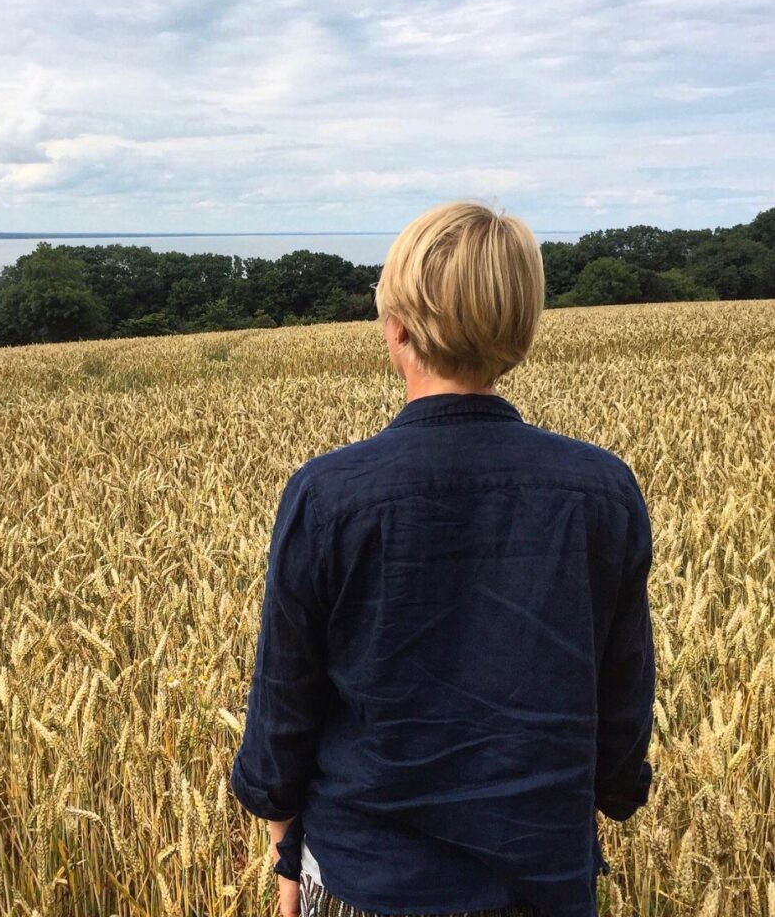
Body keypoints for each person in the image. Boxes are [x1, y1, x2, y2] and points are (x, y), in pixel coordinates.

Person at [229, 201, 656, 917]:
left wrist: (286, 852)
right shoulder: (602, 490)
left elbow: (284, 710)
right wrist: (612, 793)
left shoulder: (328, 494)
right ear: (521, 330)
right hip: (543, 883)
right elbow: (622, 693)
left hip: (368, 879)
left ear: (395, 327)